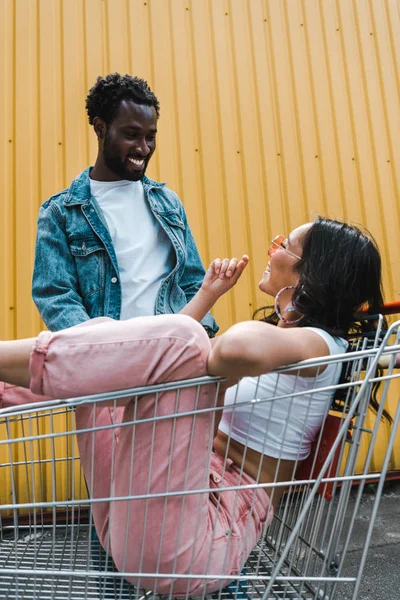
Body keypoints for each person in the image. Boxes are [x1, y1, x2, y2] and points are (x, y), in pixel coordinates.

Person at [0, 218, 389, 595]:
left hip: (205, 532)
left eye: (283, 245)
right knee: (109, 362)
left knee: (182, 340)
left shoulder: (321, 345)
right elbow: (164, 363)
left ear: (311, 274)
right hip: (155, 504)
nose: (271, 250)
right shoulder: (289, 347)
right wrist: (207, 296)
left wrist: (204, 343)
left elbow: (229, 349)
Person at [32, 73, 218, 337]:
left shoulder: (169, 204)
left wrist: (202, 334)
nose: (143, 148)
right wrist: (101, 349)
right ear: (100, 128)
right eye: (131, 135)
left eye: (150, 137)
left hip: (174, 357)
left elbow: (191, 283)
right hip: (106, 364)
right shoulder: (60, 212)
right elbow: (56, 296)